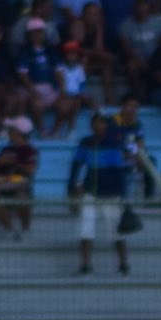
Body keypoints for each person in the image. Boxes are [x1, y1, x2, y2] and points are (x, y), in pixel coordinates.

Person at [69, 111, 131, 277]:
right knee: (85, 229)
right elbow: (76, 165)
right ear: (92, 125)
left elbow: (124, 167)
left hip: (112, 195)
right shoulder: (86, 143)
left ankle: (123, 264)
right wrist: (71, 189)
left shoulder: (117, 143)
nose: (100, 126)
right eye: (96, 122)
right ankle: (86, 265)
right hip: (90, 194)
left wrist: (123, 197)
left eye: (103, 122)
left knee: (116, 232)